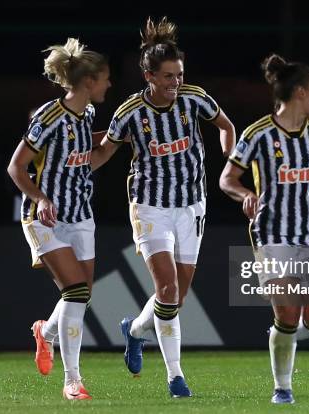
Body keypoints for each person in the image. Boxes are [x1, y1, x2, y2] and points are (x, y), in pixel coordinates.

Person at [92, 17, 235, 397]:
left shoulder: (194, 98)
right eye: (168, 76)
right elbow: (104, 150)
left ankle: (135, 331)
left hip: (192, 207)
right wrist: (73, 168)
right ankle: (176, 377)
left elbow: (226, 124)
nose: (176, 82)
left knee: (176, 298)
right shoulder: (129, 113)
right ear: (149, 76)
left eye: (179, 74)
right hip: (150, 207)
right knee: (167, 289)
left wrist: (228, 150)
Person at [220, 53, 309, 404]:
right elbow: (227, 179)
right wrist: (245, 194)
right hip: (273, 233)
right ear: (300, 92)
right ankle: (282, 387)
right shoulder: (257, 134)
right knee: (287, 310)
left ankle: (281, 336)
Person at [7, 37, 111, 401]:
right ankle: (72, 381)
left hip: (81, 214)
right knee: (76, 292)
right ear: (88, 82)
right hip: (44, 217)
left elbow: (88, 155)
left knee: (81, 298)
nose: (108, 85)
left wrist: (117, 139)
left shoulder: (90, 115)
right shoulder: (48, 118)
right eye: (105, 79)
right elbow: (16, 167)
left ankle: (46, 333)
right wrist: (40, 197)